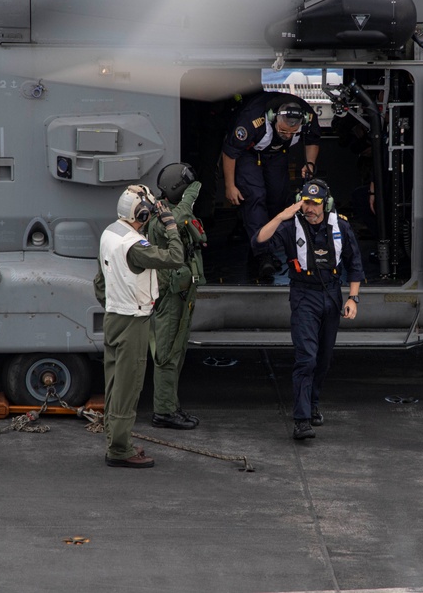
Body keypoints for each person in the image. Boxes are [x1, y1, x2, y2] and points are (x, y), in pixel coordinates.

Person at [253, 178, 364, 440]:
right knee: (307, 359)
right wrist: (282, 216)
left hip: (333, 296)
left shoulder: (341, 226)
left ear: (326, 204)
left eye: (315, 203)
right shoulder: (291, 227)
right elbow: (258, 242)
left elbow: (355, 263)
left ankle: (313, 405)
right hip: (304, 296)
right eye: (305, 202)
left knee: (323, 359)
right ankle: (301, 420)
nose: (310, 208)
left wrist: (353, 298)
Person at [94, 184, 184, 468]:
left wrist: (115, 303)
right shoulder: (134, 246)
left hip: (114, 316)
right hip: (133, 320)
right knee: (128, 385)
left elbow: (100, 283)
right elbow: (175, 258)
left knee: (113, 382)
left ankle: (114, 436)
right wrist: (170, 227)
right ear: (142, 213)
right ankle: (119, 449)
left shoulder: (111, 233)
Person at [222, 93, 322, 281]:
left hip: (277, 154)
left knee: (278, 197)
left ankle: (262, 244)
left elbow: (313, 140)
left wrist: (310, 163)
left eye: (292, 132)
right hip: (248, 154)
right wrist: (230, 186)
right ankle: (263, 254)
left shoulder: (308, 117)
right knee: (255, 195)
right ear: (273, 118)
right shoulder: (253, 119)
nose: (287, 135)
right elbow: (230, 151)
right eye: (283, 131)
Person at [145, 163, 207, 430]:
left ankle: (170, 405)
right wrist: (191, 195)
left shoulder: (169, 210)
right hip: (170, 296)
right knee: (168, 354)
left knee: (178, 350)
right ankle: (164, 412)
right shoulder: (161, 217)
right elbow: (178, 218)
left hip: (181, 292)